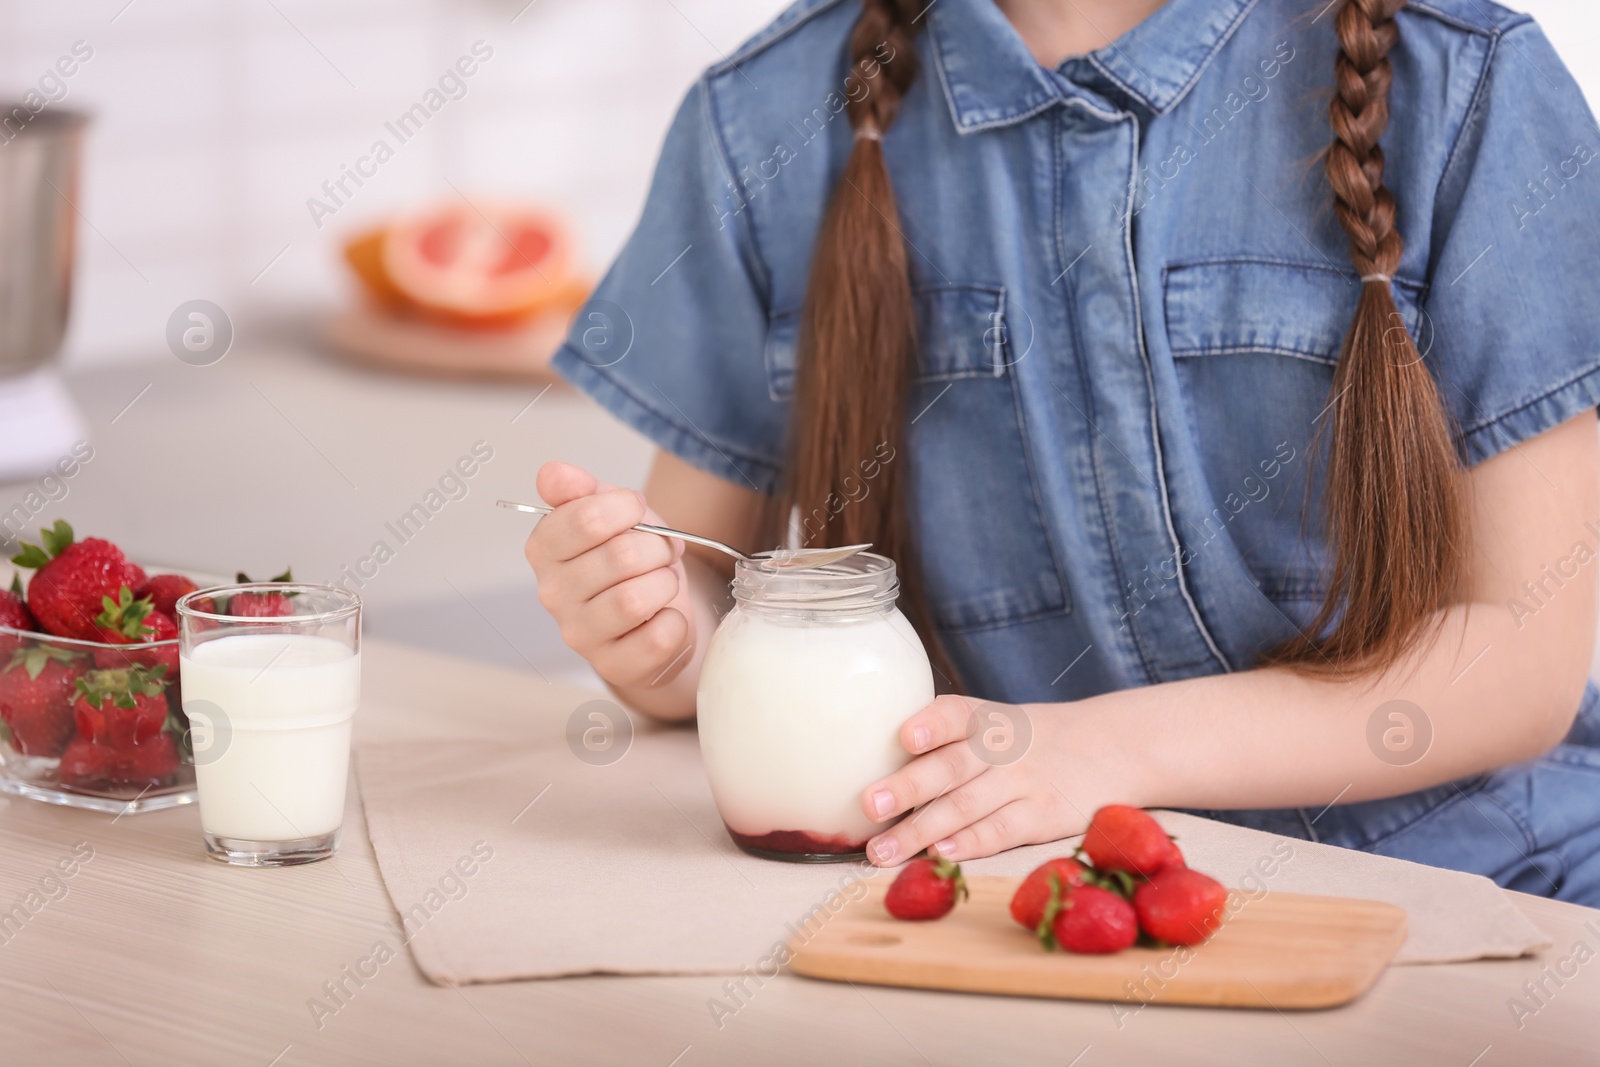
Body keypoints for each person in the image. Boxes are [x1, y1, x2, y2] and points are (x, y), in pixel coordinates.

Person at [525, 0, 1600, 903]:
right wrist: (659, 640)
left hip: (1487, 893)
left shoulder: (1469, 83)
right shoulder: (757, 119)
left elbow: (1524, 659)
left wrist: (1104, 748)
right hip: (1037, 914)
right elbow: (718, 600)